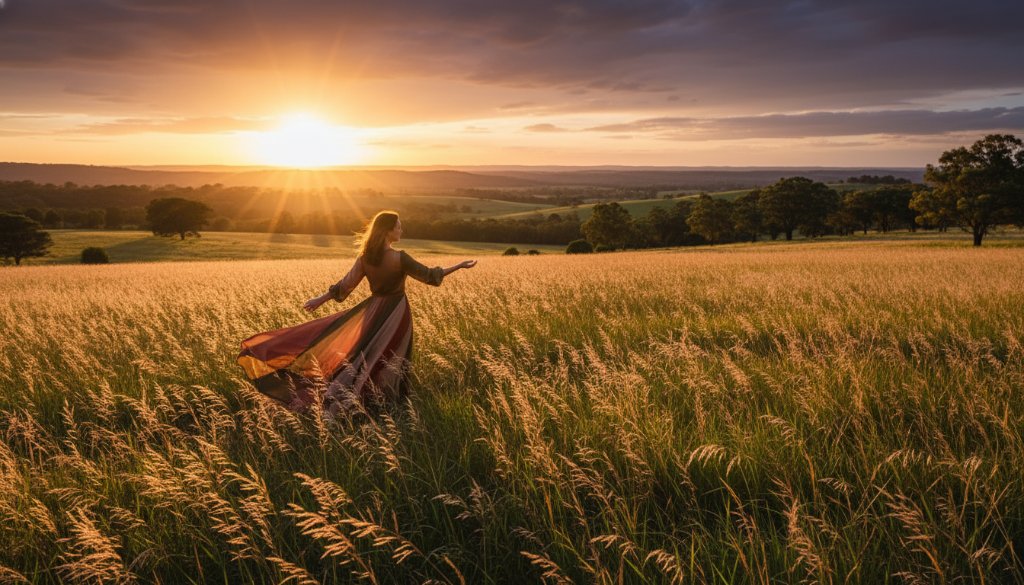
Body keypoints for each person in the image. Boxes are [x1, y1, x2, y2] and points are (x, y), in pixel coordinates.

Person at [237, 211, 476, 416]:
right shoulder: (399, 257)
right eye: (399, 227)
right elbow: (429, 275)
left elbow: (345, 286)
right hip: (396, 313)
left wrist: (321, 299)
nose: (401, 231)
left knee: (364, 357)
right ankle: (386, 403)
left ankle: (365, 401)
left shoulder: (365, 258)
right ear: (388, 231)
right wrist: (459, 266)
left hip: (372, 311)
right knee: (393, 357)